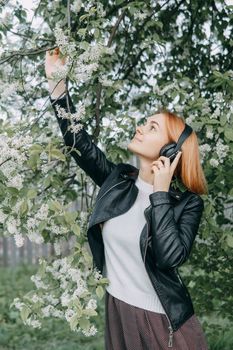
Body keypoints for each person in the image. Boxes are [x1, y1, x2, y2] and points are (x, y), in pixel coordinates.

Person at [45, 48, 209, 350]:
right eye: (144, 122)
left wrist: (160, 193)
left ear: (172, 150)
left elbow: (170, 257)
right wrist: (57, 83)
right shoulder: (118, 180)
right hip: (119, 310)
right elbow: (77, 141)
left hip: (164, 323)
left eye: (152, 127)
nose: (140, 127)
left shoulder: (187, 204)